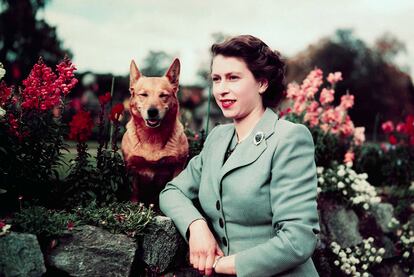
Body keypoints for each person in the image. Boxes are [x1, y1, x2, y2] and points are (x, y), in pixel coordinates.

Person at [159, 35, 320, 277]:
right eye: (216, 79)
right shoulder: (217, 139)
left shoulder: (289, 138)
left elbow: (299, 239)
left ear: (262, 83)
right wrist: (196, 226)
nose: (222, 90)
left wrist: (225, 264)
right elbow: (172, 192)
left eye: (233, 78)